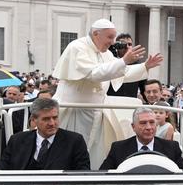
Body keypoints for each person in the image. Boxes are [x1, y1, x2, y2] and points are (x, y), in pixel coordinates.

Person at [51, 19, 163, 167]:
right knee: (70, 151)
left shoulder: (105, 53)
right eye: (110, 37)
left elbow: (121, 72)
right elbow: (94, 73)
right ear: (96, 34)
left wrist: (144, 66)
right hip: (74, 111)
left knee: (92, 152)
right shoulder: (77, 47)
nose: (112, 42)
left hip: (96, 112)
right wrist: (123, 61)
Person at [0, 98, 90, 171]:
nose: (52, 123)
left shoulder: (74, 141)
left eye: (55, 118)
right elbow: (2, 169)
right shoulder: (17, 140)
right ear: (33, 119)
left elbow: (82, 174)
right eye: (46, 119)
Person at [100, 107, 183, 170]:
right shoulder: (118, 148)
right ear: (133, 127)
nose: (148, 127)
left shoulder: (172, 148)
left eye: (152, 122)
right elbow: (104, 174)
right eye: (143, 123)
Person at [107, 33, 147, 98]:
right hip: (112, 102)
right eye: (123, 44)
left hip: (130, 103)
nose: (127, 47)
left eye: (130, 44)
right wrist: (112, 46)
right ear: (117, 46)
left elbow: (144, 89)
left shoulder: (137, 65)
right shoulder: (110, 61)